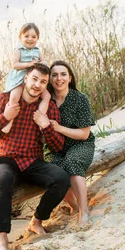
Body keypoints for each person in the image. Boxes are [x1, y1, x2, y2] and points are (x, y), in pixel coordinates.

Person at [0, 63, 71, 250]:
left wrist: (46, 125)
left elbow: (58, 146)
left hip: (32, 161)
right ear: (25, 78)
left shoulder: (47, 107)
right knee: (4, 180)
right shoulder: (6, 99)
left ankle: (37, 220)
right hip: (5, 159)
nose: (37, 85)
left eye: (43, 82)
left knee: (61, 179)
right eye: (34, 79)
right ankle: (3, 241)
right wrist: (5, 117)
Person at [45, 60, 95, 225]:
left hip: (81, 144)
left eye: (63, 74)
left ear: (70, 77)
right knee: (56, 172)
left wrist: (59, 128)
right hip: (58, 148)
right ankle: (73, 205)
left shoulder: (79, 99)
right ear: (50, 79)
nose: (59, 78)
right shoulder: (46, 102)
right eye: (55, 75)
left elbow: (84, 134)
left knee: (72, 163)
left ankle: (84, 212)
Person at [1, 23, 50, 133]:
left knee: (47, 96)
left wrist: (43, 64)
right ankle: (10, 121)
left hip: (34, 79)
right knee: (14, 97)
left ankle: (40, 118)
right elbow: (15, 65)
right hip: (19, 78)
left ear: (37, 38)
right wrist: (28, 64)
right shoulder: (19, 50)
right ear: (20, 37)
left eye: (34, 37)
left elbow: (43, 62)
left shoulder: (37, 50)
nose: (30, 39)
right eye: (26, 36)